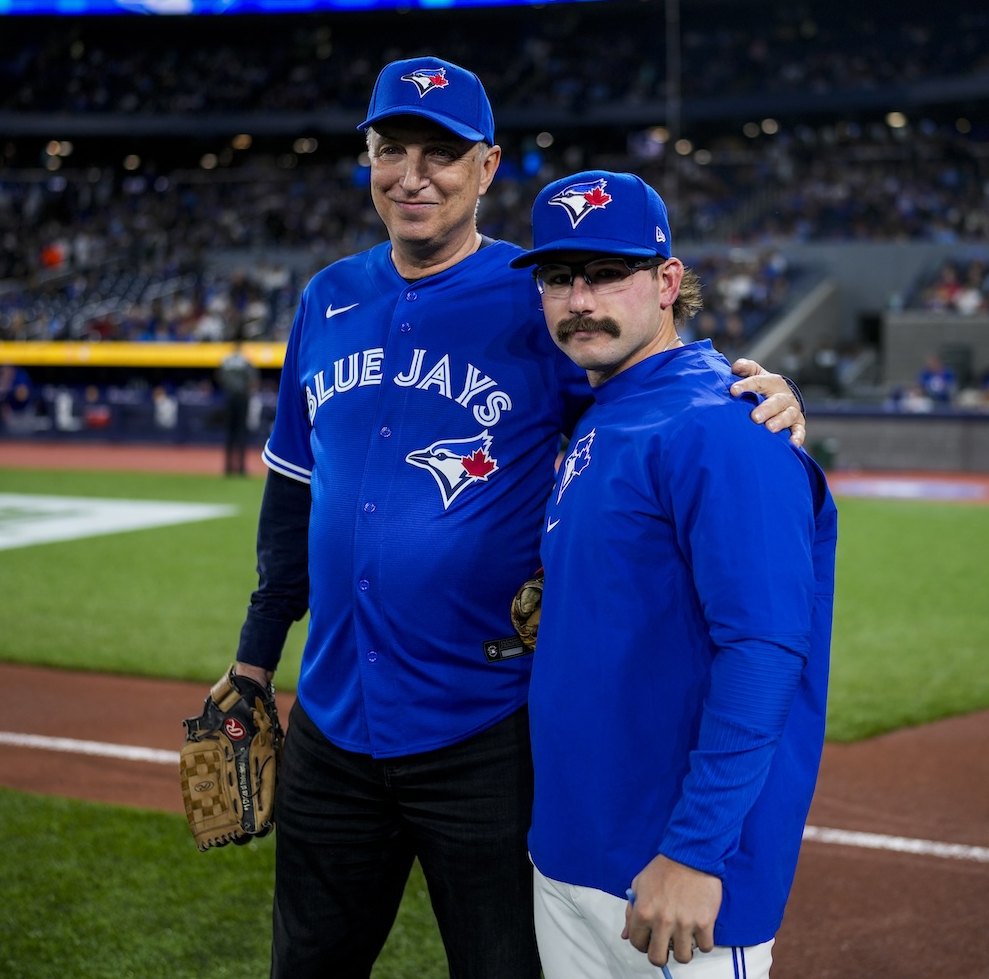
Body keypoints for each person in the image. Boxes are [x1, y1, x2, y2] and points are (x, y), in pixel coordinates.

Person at [228, 58, 807, 979]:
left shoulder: (532, 295)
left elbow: (647, 385)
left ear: (487, 168)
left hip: (484, 728)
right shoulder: (327, 298)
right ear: (369, 159)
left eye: (441, 154)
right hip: (332, 722)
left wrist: (749, 391)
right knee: (304, 964)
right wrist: (256, 656)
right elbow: (294, 487)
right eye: (392, 150)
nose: (413, 174)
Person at [509, 170, 837, 979]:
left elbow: (764, 650)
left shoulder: (724, 425)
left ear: (667, 282)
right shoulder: (606, 411)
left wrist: (695, 853)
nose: (580, 298)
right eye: (559, 278)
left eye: (607, 273)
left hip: (676, 879)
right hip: (571, 851)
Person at [215, 335, 258, 475]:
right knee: (241, 432)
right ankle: (240, 467)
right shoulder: (245, 360)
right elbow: (253, 379)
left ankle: (228, 467)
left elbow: (219, 377)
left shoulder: (226, 360)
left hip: (230, 396)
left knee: (230, 432)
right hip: (242, 397)